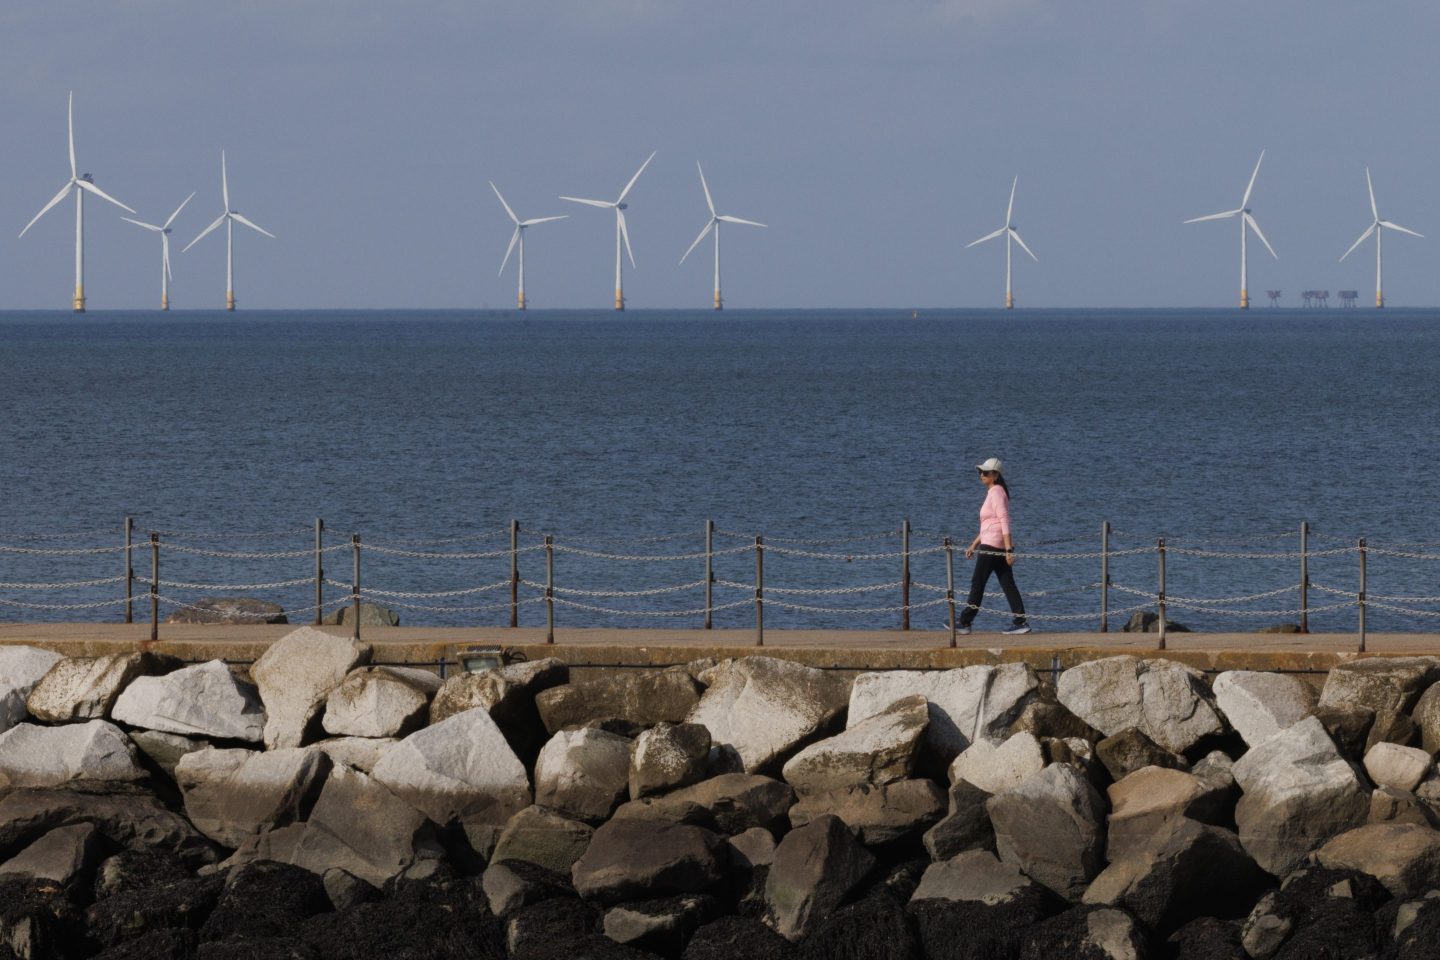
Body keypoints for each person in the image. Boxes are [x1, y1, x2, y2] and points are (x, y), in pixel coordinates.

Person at [958, 457, 1030, 635]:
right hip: (993, 544)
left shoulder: (997, 493)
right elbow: (989, 525)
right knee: (1007, 583)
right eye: (980, 472)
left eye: (985, 472)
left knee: (978, 582)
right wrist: (974, 544)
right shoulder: (994, 492)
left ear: (995, 475)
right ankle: (1021, 622)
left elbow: (1004, 521)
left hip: (992, 546)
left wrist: (1009, 550)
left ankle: (965, 622)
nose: (981, 475)